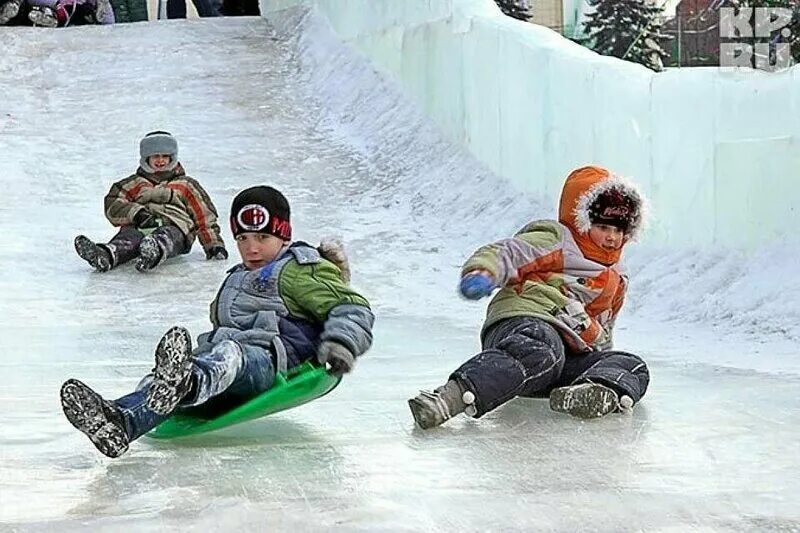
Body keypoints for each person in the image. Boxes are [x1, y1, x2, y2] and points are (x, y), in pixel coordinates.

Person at [60, 185, 374, 457]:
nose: (251, 248)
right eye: (243, 238)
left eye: (263, 237)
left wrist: (340, 343)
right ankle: (119, 422)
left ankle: (187, 381)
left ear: (283, 236)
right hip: (224, 369)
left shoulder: (299, 268)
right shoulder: (236, 278)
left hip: (269, 363)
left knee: (228, 354)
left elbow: (352, 306)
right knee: (160, 377)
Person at [408, 165, 651, 429]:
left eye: (619, 230)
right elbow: (510, 252)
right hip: (526, 325)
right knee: (542, 347)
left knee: (631, 365)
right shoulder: (559, 241)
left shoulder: (617, 276)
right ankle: (449, 397)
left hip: (561, 361)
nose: (612, 238)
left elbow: (605, 325)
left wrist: (600, 357)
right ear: (582, 221)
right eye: (603, 227)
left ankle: (590, 391)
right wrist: (484, 272)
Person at [74, 131, 227, 273]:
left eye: (164, 156)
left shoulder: (186, 185)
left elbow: (204, 216)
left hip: (176, 227)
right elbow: (113, 205)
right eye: (155, 156)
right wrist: (137, 213)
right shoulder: (133, 184)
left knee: (167, 235)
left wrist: (214, 245)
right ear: (146, 158)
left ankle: (154, 251)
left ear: (172, 158)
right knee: (129, 237)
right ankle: (106, 254)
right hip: (142, 225)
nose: (160, 161)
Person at [26, 0, 113, 26]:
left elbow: (110, 23)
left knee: (85, 11)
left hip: (80, 10)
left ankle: (95, 15)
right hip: (57, 6)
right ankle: (48, 17)